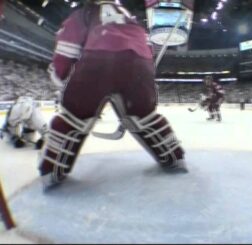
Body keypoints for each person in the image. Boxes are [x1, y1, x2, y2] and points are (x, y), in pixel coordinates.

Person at [39, 0, 187, 189]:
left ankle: (51, 170)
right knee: (144, 116)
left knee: (75, 117)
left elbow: (66, 51)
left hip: (97, 61)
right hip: (140, 65)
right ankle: (176, 157)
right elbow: (147, 49)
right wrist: (144, 74)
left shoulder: (83, 14)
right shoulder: (131, 19)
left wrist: (61, 78)